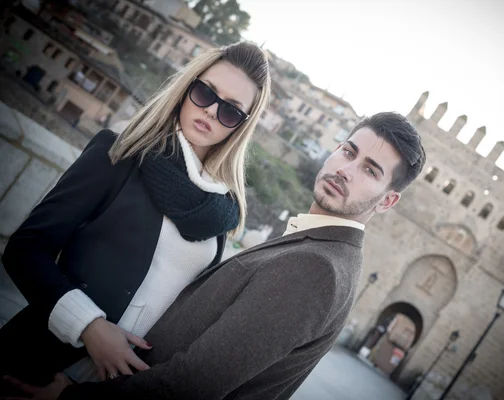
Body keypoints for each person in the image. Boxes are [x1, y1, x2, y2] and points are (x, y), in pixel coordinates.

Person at [4, 112, 426, 400]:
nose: (346, 169)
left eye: (370, 170)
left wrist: (70, 397)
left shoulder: (319, 268)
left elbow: (195, 385)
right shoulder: (316, 249)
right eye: (349, 151)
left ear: (386, 201)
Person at [0, 41, 271, 389]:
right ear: (187, 86)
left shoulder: (221, 207)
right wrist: (88, 325)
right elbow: (25, 250)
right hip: (40, 366)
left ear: (241, 126)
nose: (211, 112)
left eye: (231, 111)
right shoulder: (120, 150)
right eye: (205, 92)